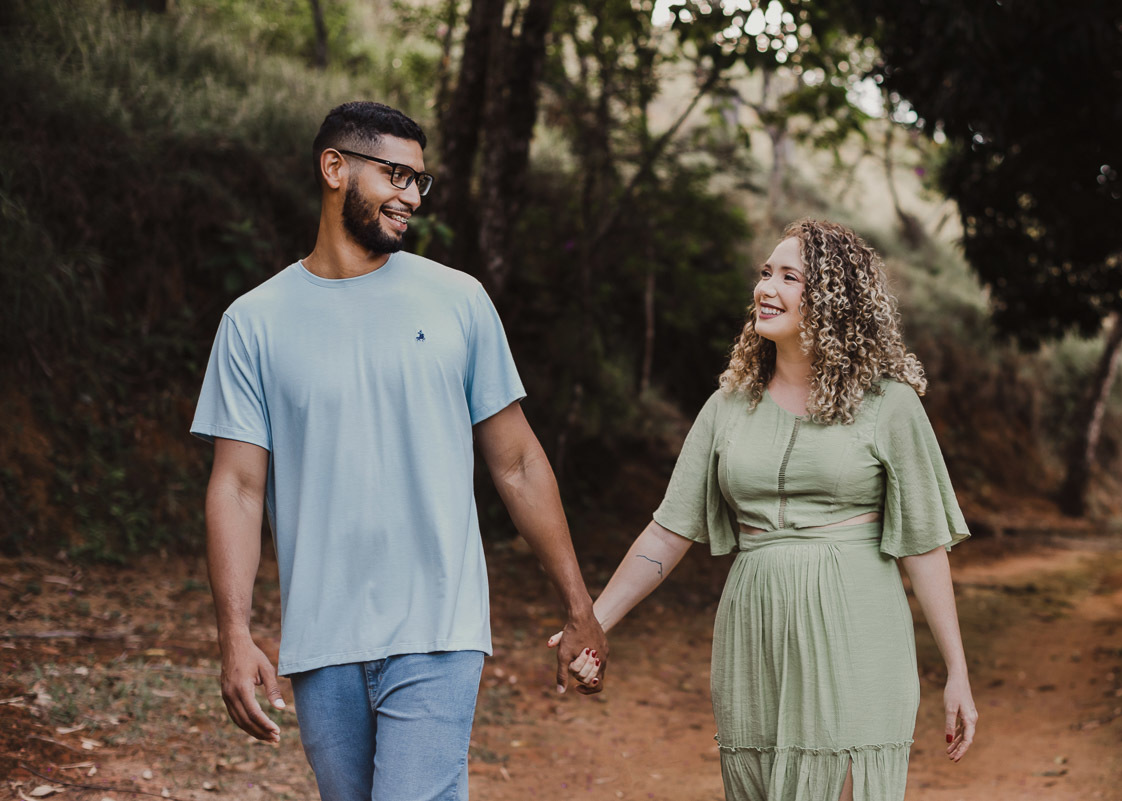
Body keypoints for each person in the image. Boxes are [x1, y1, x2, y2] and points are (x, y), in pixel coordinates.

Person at [191, 100, 607, 801]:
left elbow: (518, 461)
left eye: (420, 181)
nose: (411, 196)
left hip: (438, 624)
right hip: (322, 638)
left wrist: (578, 602)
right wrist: (234, 632)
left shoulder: (457, 300)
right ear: (334, 168)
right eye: (395, 175)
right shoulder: (253, 323)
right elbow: (237, 486)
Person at [552, 219, 977, 801]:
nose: (765, 288)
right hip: (754, 627)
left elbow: (924, 545)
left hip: (857, 627)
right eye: (764, 273)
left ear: (833, 299)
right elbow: (669, 531)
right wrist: (594, 625)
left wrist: (956, 670)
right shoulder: (729, 405)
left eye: (788, 277)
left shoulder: (890, 405)